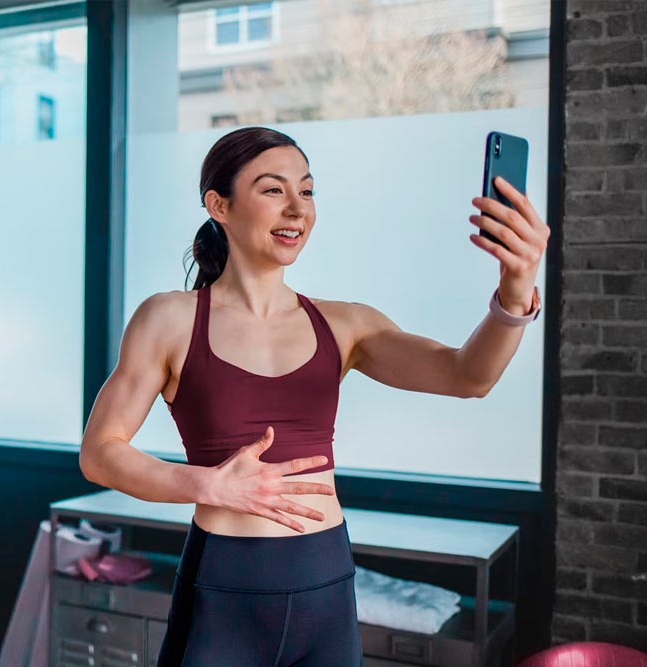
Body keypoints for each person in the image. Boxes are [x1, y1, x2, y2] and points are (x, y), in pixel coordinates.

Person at [78, 126, 547, 666]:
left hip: (324, 586)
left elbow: (468, 376)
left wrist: (515, 290)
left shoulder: (345, 324)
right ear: (219, 205)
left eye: (307, 191)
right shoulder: (170, 318)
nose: (297, 209)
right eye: (273, 190)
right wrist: (206, 483)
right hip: (223, 589)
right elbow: (100, 452)